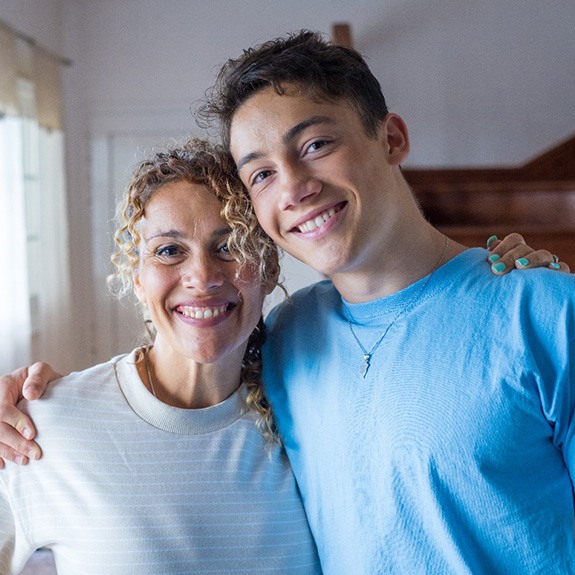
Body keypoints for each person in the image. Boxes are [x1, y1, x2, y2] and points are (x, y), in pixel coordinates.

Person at [0, 30, 573, 574]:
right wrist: (26, 399)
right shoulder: (290, 337)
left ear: (392, 137)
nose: (295, 186)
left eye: (317, 144)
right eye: (262, 174)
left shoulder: (545, 313)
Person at [0, 138, 322, 574]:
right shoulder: (44, 427)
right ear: (137, 277)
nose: (203, 277)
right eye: (169, 250)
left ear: (269, 270)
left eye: (229, 246)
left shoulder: (309, 414)